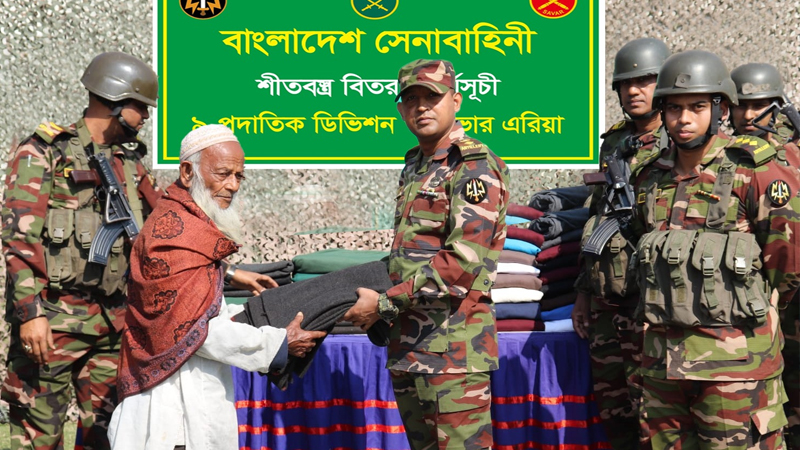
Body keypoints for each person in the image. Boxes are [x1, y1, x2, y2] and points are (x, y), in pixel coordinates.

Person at [107, 124, 326, 450]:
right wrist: (277, 343)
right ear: (187, 172)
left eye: (239, 176)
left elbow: (201, 310)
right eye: (223, 174)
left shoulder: (189, 226)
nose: (233, 185)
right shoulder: (174, 237)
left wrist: (260, 313)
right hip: (172, 416)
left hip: (191, 402)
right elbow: (195, 331)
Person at [631, 50, 800, 449]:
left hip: (735, 371)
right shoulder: (649, 178)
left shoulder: (756, 171)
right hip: (663, 371)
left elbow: (788, 266)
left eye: (697, 107)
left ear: (720, 109)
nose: (684, 119)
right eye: (674, 108)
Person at [344, 59, 509, 450]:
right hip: (410, 347)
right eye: (411, 99)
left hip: (454, 351)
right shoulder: (416, 166)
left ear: (456, 101)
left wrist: (384, 304)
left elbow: (463, 261)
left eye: (431, 97)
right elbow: (408, 255)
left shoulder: (473, 166)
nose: (420, 107)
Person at [0, 51, 163, 450]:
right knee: (37, 437)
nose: (146, 116)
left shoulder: (130, 163)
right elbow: (19, 240)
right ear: (116, 101)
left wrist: (228, 271)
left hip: (113, 324)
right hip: (53, 320)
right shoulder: (45, 152)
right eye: (141, 106)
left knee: (109, 436)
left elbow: (162, 230)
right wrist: (30, 315)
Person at [572, 37, 670, 450]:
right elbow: (599, 215)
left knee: (655, 414)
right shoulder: (613, 142)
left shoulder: (678, 140)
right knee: (615, 412)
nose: (633, 91)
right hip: (607, 300)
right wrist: (583, 293)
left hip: (652, 301)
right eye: (625, 84)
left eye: (644, 81)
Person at [730, 61, 800, 450]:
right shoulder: (730, 157)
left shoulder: (784, 154)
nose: (748, 115)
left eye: (758, 105)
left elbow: (786, 240)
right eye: (740, 105)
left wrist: (780, 299)